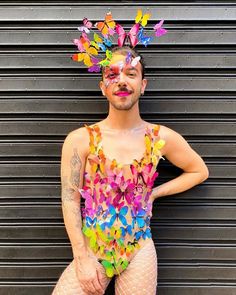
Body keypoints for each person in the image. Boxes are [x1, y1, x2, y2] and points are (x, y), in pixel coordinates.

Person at [51, 45, 209, 295]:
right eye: (112, 74)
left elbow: (199, 171)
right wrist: (81, 258)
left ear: (143, 84)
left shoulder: (160, 137)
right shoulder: (80, 139)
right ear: (103, 87)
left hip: (138, 249)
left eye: (130, 73)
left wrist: (154, 193)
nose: (121, 80)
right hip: (94, 249)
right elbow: (69, 199)